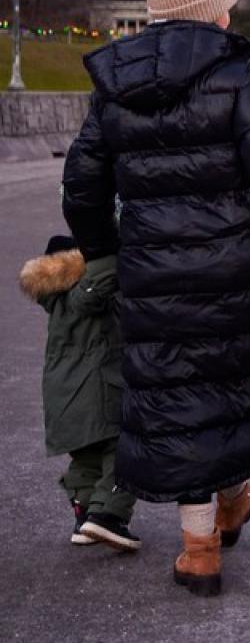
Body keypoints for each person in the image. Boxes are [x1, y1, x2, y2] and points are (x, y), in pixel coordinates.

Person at [61, 0, 250, 597]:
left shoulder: (114, 84)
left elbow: (82, 182)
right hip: (237, 266)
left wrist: (103, 248)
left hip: (153, 274)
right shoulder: (238, 72)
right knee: (233, 385)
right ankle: (234, 496)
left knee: (178, 394)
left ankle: (199, 548)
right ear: (209, 9)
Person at [20, 231, 141, 552]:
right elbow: (95, 289)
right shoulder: (85, 292)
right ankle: (108, 516)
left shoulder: (56, 302)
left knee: (87, 459)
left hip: (64, 400)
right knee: (125, 451)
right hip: (98, 392)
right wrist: (107, 255)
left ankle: (85, 516)